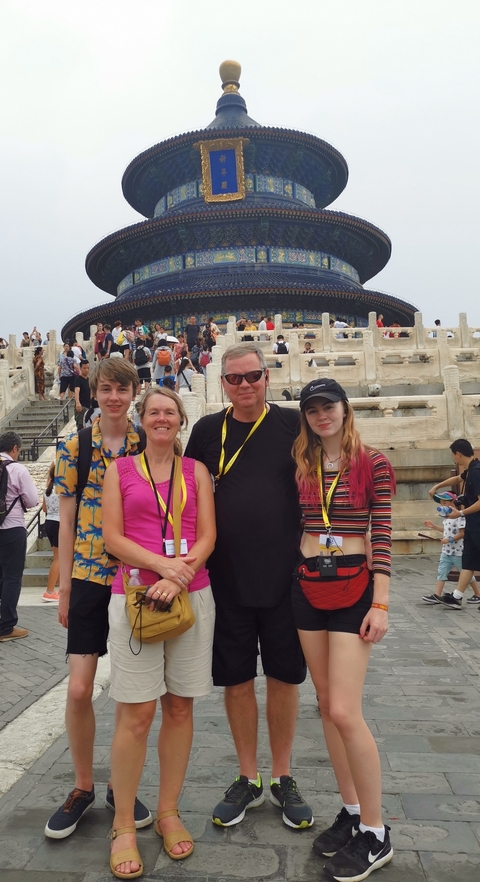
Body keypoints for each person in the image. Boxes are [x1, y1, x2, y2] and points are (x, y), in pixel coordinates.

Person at [185, 343, 312, 831]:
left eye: (252, 376)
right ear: (222, 383)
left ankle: (281, 775)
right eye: (234, 379)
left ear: (267, 376)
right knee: (236, 680)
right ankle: (248, 775)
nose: (244, 386)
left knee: (284, 678)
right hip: (226, 580)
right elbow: (187, 496)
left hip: (286, 580)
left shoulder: (291, 425)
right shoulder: (205, 431)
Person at [102, 387, 216, 877]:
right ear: (141, 419)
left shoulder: (197, 472)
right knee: (136, 714)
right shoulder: (120, 470)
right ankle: (124, 823)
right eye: (153, 413)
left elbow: (209, 533)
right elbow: (113, 537)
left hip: (193, 595)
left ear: (181, 419)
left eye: (170, 412)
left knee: (179, 706)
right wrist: (163, 569)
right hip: (134, 597)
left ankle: (168, 810)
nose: (162, 419)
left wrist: (180, 575)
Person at [291, 377, 394, 880]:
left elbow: (382, 532)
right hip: (309, 584)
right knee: (325, 705)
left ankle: (376, 831)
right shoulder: (304, 464)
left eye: (328, 406)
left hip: (355, 589)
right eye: (311, 409)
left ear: (345, 408)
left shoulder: (371, 462)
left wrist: (382, 602)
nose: (321, 416)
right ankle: (352, 812)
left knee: (344, 710)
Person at [44, 359, 152, 840]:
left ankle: (120, 785)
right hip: (88, 578)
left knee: (133, 696)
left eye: (122, 389)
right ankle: (83, 786)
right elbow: (64, 522)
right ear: (93, 393)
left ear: (135, 392)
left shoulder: (148, 442)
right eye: (105, 388)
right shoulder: (74, 447)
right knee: (80, 689)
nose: (114, 397)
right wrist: (64, 586)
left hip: (134, 579)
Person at [429, 439, 480, 610]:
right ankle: (457, 597)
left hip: (477, 523)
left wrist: (461, 512)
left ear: (458, 454)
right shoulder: (470, 470)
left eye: (453, 454)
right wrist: (437, 486)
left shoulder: (477, 472)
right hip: (473, 524)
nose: (453, 458)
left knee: (471, 560)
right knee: (468, 562)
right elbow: (458, 478)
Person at [0, 432, 38, 641]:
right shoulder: (17, 469)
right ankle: (6, 627)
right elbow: (32, 500)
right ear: (14, 448)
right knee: (12, 577)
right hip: (12, 528)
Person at [421, 516, 480, 604]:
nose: (443, 506)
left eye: (445, 503)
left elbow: (463, 533)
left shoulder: (460, 518)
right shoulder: (446, 518)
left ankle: (477, 593)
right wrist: (434, 526)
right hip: (446, 552)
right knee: (442, 572)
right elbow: (446, 530)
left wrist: (450, 539)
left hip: (458, 552)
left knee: (467, 574)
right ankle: (437, 594)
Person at [42, 463, 60, 602]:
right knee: (59, 559)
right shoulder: (61, 490)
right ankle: (49, 591)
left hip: (49, 522)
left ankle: (58, 587)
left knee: (57, 556)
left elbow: (44, 509)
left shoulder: (48, 490)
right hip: (60, 523)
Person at [74, 360, 91, 431]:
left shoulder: (89, 380)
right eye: (84, 368)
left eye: (88, 368)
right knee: (81, 427)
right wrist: (77, 402)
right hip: (81, 406)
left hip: (88, 406)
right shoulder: (78, 379)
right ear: (80, 368)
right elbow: (77, 391)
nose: (86, 370)